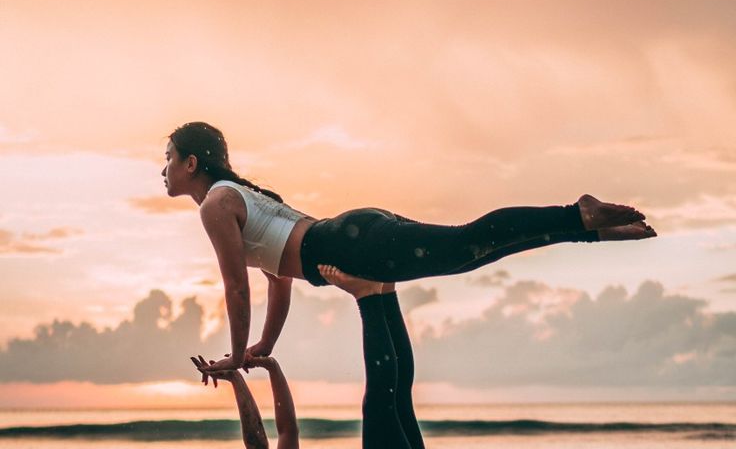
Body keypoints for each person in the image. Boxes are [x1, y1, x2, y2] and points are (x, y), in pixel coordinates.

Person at [163, 121, 657, 378]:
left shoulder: (216, 205)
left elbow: (236, 287)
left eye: (167, 159)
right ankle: (585, 229)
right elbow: (278, 280)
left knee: (465, 243)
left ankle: (576, 215)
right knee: (469, 252)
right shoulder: (239, 197)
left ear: (190, 162)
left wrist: (233, 356)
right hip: (356, 234)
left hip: (351, 245)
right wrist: (263, 347)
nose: (162, 169)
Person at [176, 271, 440, 449]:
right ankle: (368, 297)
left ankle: (385, 290)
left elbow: (288, 431)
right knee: (378, 405)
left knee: (398, 400)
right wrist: (236, 379)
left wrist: (271, 367)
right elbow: (257, 446)